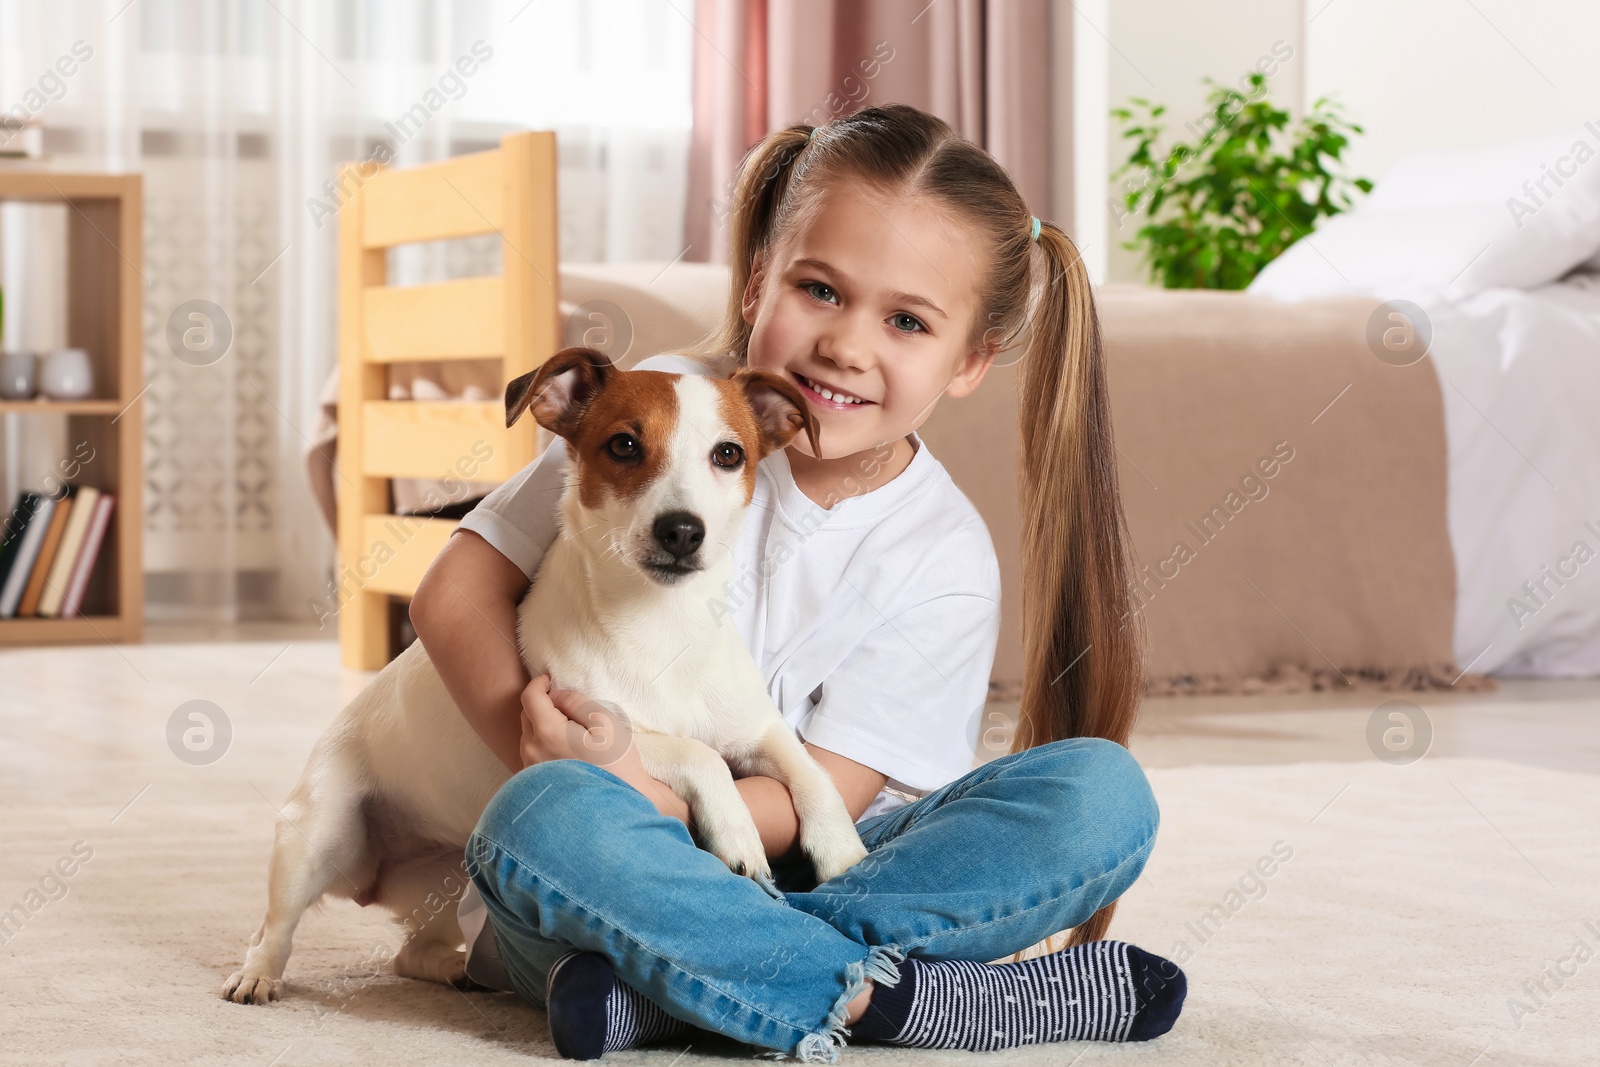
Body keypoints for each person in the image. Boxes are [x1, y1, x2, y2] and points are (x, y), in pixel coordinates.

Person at [409, 103, 1185, 1064]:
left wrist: (660, 797)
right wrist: (572, 771)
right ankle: (905, 1000)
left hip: (811, 861)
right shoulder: (653, 409)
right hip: (609, 876)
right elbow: (450, 595)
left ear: (972, 359)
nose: (847, 346)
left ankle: (680, 990)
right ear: (755, 283)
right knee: (543, 822)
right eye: (818, 289)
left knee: (1100, 793)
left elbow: (834, 804)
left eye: (906, 320)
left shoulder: (942, 553)